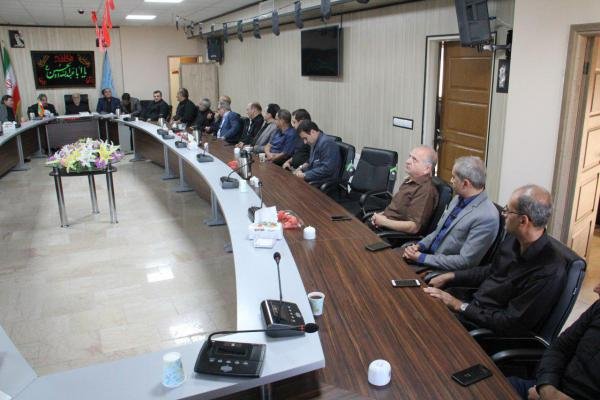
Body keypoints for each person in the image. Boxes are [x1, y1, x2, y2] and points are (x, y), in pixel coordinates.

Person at [425, 184, 567, 336]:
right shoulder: (513, 239)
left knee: (425, 329)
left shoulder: (549, 270)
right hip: (473, 305)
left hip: (486, 329)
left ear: (523, 221)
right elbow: (491, 271)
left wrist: (458, 305)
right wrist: (451, 276)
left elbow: (509, 323)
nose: (504, 214)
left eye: (508, 210)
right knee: (421, 304)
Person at [403, 156, 499, 271]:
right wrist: (419, 246)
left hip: (441, 271)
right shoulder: (458, 198)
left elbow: (465, 262)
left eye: (454, 177)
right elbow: (438, 232)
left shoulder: (487, 217)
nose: (451, 180)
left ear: (465, 183)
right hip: (428, 256)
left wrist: (421, 258)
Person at [509, 283, 600, 400]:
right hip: (551, 386)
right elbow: (560, 347)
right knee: (494, 387)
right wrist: (547, 387)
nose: (595, 288)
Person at [370, 146, 439, 234]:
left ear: (427, 169)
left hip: (391, 235)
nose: (407, 161)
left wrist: (384, 222)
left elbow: (414, 227)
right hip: (383, 226)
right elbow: (398, 211)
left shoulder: (425, 191)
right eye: (410, 157)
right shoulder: (410, 180)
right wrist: (381, 216)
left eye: (414, 160)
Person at [293, 120, 341, 186]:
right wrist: (301, 169)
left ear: (313, 132)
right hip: (315, 178)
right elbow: (312, 162)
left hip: (323, 181)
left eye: (305, 138)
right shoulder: (315, 142)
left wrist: (305, 175)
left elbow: (327, 169)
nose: (305, 142)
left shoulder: (326, 143)